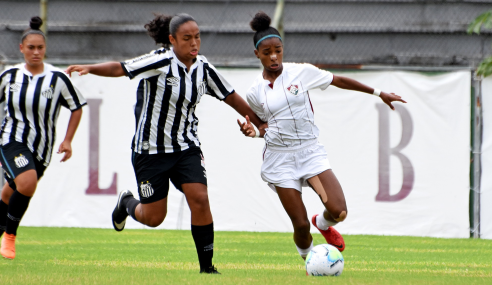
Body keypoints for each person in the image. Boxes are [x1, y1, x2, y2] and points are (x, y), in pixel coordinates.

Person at [65, 13, 265, 274]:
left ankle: (207, 268)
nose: (194, 43)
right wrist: (90, 68)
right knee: (154, 218)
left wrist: (260, 123)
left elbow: (230, 97)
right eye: (187, 38)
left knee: (200, 199)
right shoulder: (159, 60)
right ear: (172, 40)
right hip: (150, 152)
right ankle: (126, 203)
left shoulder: (203, 68)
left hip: (186, 148)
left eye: (197, 37)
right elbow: (121, 68)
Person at [237, 12, 406, 260]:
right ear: (257, 54)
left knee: (339, 212)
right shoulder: (254, 92)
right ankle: (310, 262)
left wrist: (379, 92)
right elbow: (265, 126)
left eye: (278, 50)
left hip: (309, 153)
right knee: (301, 225)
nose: (274, 56)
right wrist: (253, 133)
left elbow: (338, 80)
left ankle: (324, 224)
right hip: (280, 160)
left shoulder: (300, 72)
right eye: (267, 52)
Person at [0, 17, 86, 259]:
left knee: (9, 194)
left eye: (40, 48)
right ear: (21, 49)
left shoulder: (57, 78)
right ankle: (10, 237)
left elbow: (77, 106)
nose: (36, 52)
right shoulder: (10, 76)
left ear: (45, 49)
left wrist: (68, 140)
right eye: (31, 48)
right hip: (11, 140)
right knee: (27, 184)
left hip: (42, 150)